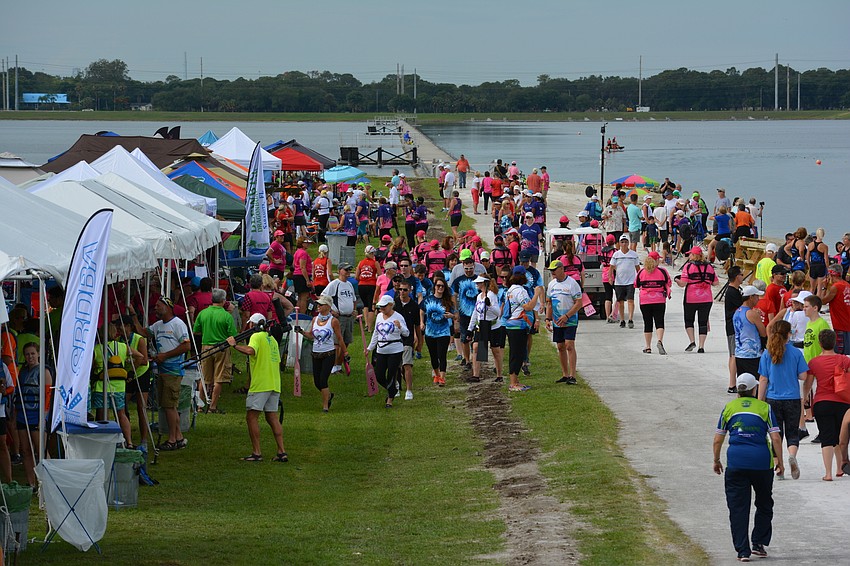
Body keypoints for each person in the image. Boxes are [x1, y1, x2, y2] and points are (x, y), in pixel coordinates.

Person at [713, 373, 783, 562]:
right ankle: (758, 543)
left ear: (738, 390)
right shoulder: (764, 408)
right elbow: (775, 437)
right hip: (761, 464)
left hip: (736, 463)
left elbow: (718, 438)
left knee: (738, 507)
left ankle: (742, 551)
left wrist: (716, 460)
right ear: (754, 389)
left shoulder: (729, 408)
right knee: (764, 503)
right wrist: (780, 462)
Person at [131, 297, 190, 451]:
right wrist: (133, 317)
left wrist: (166, 355)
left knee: (169, 406)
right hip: (163, 371)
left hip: (173, 370)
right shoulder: (157, 326)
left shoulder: (178, 324)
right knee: (169, 406)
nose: (155, 308)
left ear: (168, 307)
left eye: (158, 306)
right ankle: (178, 438)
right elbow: (143, 332)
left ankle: (171, 439)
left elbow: (186, 346)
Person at [228, 314, 287, 462]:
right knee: (272, 417)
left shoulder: (256, 336)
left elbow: (250, 351)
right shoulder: (272, 339)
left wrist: (234, 345)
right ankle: (281, 451)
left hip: (261, 383)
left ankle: (256, 452)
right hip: (274, 382)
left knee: (251, 416)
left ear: (253, 324)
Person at [757, 320, 807, 480]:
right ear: (788, 335)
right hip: (792, 398)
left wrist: (760, 400)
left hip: (773, 398)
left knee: (775, 435)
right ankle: (792, 455)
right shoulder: (796, 353)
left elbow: (763, 379)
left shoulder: (767, 353)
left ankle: (779, 466)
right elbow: (803, 376)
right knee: (792, 433)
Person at [804, 329, 850, 480]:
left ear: (820, 344)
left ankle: (828, 473)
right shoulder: (844, 360)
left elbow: (808, 384)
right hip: (842, 403)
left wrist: (804, 398)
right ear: (835, 342)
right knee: (838, 436)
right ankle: (839, 468)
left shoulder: (814, 362)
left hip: (822, 402)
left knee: (826, 437)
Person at [193, 289, 237, 415]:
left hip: (206, 347)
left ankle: (199, 406)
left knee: (204, 377)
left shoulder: (203, 313)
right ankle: (212, 406)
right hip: (222, 347)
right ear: (223, 301)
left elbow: (196, 330)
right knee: (219, 378)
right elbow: (233, 335)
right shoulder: (226, 316)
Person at [15, 342, 52, 487]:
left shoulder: (44, 371)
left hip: (37, 416)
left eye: (32, 353)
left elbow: (48, 397)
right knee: (26, 451)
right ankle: (32, 484)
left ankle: (47, 482)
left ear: (38, 354)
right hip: (22, 416)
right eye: (27, 354)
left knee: (41, 450)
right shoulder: (23, 372)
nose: (30, 356)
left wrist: (43, 418)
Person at [365, 295, 409, 408]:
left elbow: (406, 333)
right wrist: (369, 348)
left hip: (395, 350)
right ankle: (392, 389)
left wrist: (400, 327)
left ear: (391, 305)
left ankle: (390, 399)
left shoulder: (398, 317)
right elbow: (376, 333)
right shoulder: (379, 316)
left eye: (384, 307)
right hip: (381, 350)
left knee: (391, 374)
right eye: (380, 307)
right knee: (379, 374)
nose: (382, 309)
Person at [303, 295, 346, 413]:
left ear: (328, 306)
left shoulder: (334, 321)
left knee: (323, 380)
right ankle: (329, 395)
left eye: (321, 305)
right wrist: (301, 332)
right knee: (317, 382)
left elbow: (339, 338)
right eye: (318, 304)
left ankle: (325, 406)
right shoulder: (314, 319)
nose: (318, 306)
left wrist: (345, 352)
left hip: (329, 354)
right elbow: (312, 335)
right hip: (316, 354)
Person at [545, 260, 583, 384]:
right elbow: (549, 303)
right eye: (551, 271)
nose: (552, 273)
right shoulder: (551, 285)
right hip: (557, 321)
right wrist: (547, 319)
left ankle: (573, 375)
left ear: (561, 269)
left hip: (570, 320)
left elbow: (579, 303)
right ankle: (565, 374)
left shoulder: (572, 283)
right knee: (560, 346)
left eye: (554, 270)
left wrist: (567, 316)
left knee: (569, 345)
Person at [502, 265, 538, 392]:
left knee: (516, 353)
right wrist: (537, 295)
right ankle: (513, 383)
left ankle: (516, 380)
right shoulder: (519, 291)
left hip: (513, 325)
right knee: (517, 354)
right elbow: (528, 306)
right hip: (518, 325)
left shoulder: (511, 289)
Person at [676, 247, 719, 352]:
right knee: (703, 322)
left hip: (691, 298)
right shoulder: (709, 266)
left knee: (689, 320)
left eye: (690, 254)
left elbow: (683, 284)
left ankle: (692, 341)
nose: (689, 256)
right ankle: (701, 346)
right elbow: (715, 283)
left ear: (694, 256)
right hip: (706, 298)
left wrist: (677, 280)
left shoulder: (688, 266)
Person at [466, 275, 505, 383]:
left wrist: (490, 306)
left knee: (495, 350)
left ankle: (499, 374)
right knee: (477, 347)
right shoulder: (479, 296)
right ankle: (476, 375)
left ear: (484, 283)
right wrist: (470, 328)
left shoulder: (492, 295)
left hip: (493, 326)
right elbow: (476, 312)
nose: (477, 284)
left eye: (479, 282)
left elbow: (498, 313)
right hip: (481, 326)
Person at [321, 262, 356, 374]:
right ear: (340, 271)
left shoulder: (349, 285)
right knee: (337, 343)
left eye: (349, 270)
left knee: (346, 342)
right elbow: (323, 296)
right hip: (339, 317)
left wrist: (353, 310)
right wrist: (331, 310)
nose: (348, 273)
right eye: (346, 270)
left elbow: (353, 299)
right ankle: (332, 366)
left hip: (349, 317)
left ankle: (338, 365)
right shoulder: (334, 284)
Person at [421, 278, 456, 387]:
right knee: (433, 355)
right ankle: (436, 374)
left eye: (442, 286)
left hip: (443, 332)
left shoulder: (447, 301)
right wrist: (422, 322)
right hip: (430, 332)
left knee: (442, 355)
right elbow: (421, 310)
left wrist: (451, 316)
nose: (440, 288)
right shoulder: (428, 300)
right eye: (438, 286)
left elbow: (455, 315)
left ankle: (442, 377)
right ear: (434, 287)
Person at [635, 251, 672, 355]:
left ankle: (648, 347)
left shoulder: (641, 272)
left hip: (645, 300)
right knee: (659, 321)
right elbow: (669, 283)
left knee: (647, 323)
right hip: (659, 299)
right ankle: (659, 341)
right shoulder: (662, 271)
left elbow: (636, 284)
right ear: (656, 260)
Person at [394, 280, 420, 399]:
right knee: (395, 365)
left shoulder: (414, 306)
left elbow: (417, 325)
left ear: (410, 290)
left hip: (407, 338)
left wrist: (419, 340)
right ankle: (396, 385)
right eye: (400, 289)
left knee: (407, 364)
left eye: (405, 290)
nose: (402, 292)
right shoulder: (394, 304)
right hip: (394, 338)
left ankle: (409, 390)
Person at [609, 234, 641, 328]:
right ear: (619, 243)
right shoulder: (616, 255)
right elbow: (611, 268)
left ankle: (630, 319)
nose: (624, 244)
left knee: (631, 300)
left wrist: (640, 279)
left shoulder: (633, 254)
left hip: (631, 281)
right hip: (619, 282)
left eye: (626, 242)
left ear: (628, 243)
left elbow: (637, 268)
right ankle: (622, 319)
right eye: (622, 242)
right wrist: (610, 278)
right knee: (620, 302)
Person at [817, 264, 850, 354]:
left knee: (840, 353)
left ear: (832, 275)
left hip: (840, 325)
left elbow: (822, 301)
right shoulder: (846, 285)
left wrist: (824, 287)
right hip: (846, 323)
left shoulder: (836, 287)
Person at [724, 266, 745, 393]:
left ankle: (733, 382)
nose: (743, 277)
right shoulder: (732, 292)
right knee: (733, 354)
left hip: (733, 325)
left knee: (733, 354)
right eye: (742, 274)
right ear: (737, 276)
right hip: (733, 326)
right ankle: (732, 384)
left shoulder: (735, 291)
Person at [356, 246, 380, 331]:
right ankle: (369, 328)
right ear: (372, 253)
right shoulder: (375, 263)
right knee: (371, 306)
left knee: (365, 305)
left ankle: (366, 323)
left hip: (361, 285)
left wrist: (363, 279)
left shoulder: (361, 263)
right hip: (371, 285)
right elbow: (380, 275)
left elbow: (356, 276)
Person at [292, 236, 314, 315]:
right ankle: (302, 314)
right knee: (304, 297)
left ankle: (298, 313)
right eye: (306, 243)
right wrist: (307, 280)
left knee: (299, 297)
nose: (308, 244)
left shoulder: (297, 252)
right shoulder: (303, 253)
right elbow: (302, 267)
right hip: (302, 276)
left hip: (296, 275)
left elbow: (294, 264)